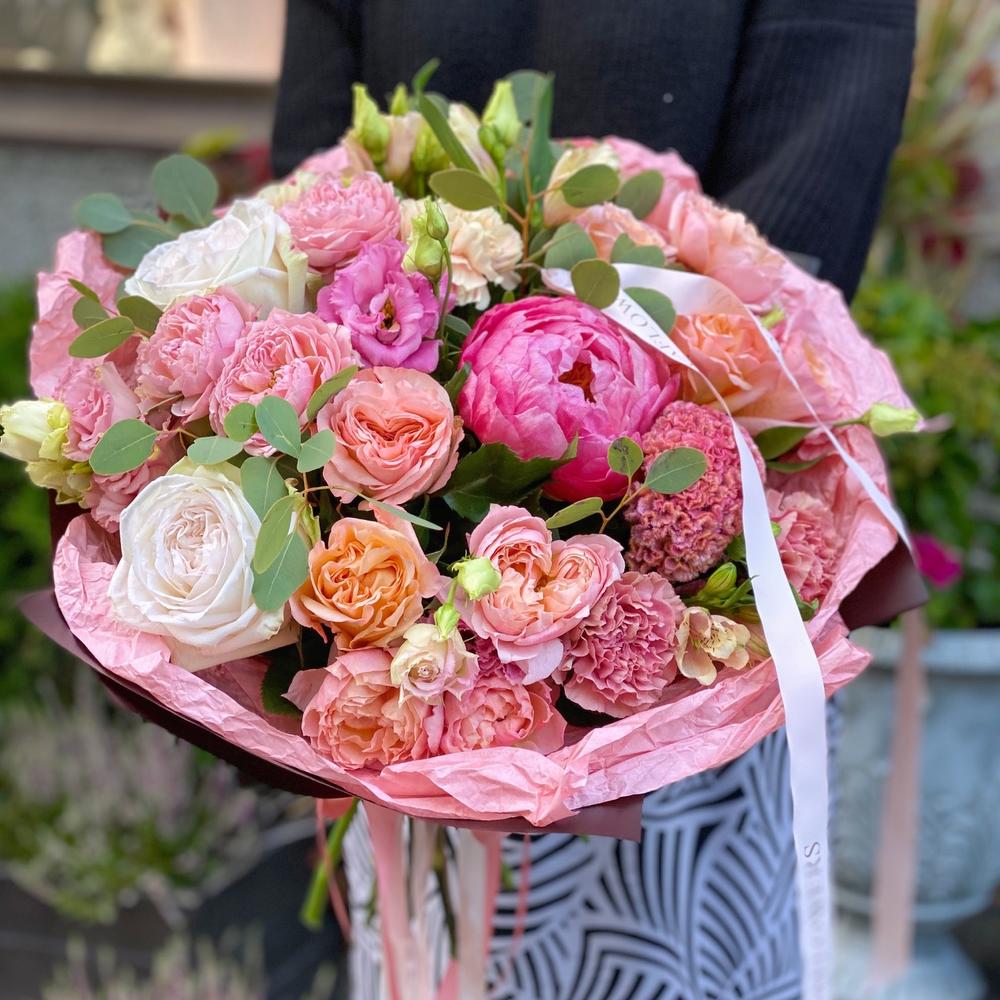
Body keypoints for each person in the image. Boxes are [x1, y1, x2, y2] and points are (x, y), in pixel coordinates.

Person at [271, 3, 916, 997]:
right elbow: (309, 179)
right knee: (424, 951)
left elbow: (797, 216)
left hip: (684, 627)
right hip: (397, 628)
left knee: (667, 953)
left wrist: (656, 477)